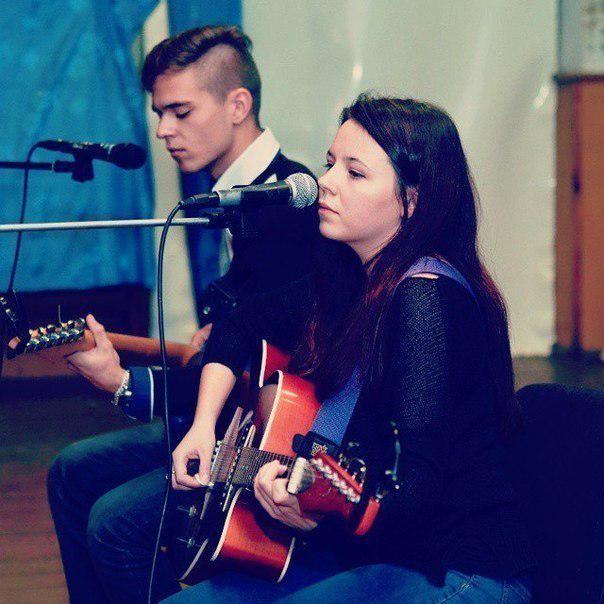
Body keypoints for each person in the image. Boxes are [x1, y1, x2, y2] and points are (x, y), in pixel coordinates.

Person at [162, 93, 535, 602]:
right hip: (373, 551)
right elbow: (240, 323)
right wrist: (204, 427)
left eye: (355, 173)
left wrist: (322, 509)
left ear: (412, 201)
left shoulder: (426, 299)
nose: (327, 183)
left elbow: (415, 488)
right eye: (330, 164)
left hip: (458, 570)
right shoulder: (351, 279)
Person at [46, 25, 316, 604]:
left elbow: (255, 378)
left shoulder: (285, 207)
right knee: (71, 472)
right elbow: (228, 351)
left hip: (266, 442)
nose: (163, 130)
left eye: (180, 111)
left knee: (114, 525)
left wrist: (124, 385)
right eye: (159, 113)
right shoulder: (231, 199)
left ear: (237, 105)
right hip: (226, 419)